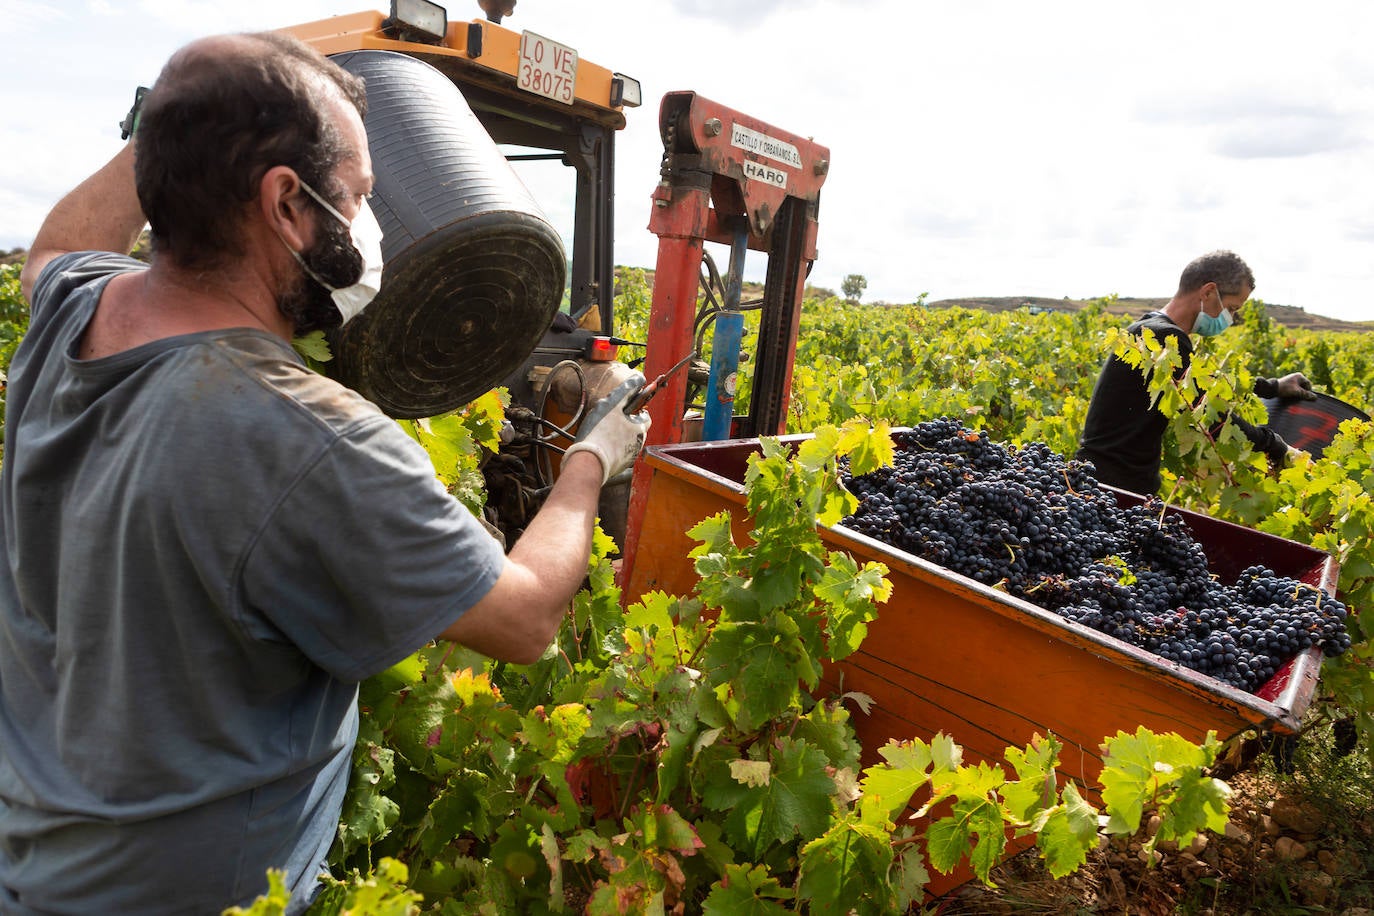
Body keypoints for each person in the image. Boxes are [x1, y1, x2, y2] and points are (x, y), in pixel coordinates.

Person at [0, 32, 649, 915]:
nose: (371, 225)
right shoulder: (311, 436)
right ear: (285, 203)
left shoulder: (78, 310)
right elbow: (527, 616)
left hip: (35, 860)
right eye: (361, 197)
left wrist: (179, 117)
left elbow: (54, 246)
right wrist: (588, 462)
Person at [1077, 250, 1315, 495]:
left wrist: (1273, 387)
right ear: (1208, 292)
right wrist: (1278, 447)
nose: (1230, 319)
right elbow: (1212, 417)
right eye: (1232, 309)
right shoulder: (1165, 338)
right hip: (1113, 489)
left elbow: (1205, 383)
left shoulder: (1148, 329)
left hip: (1103, 479)